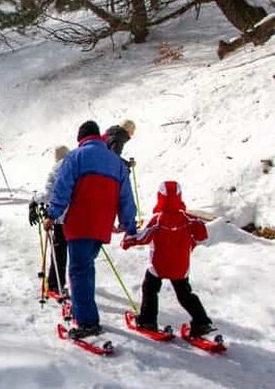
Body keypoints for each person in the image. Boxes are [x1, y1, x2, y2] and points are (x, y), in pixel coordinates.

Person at [44, 120, 137, 339]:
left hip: (79, 223)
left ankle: (87, 322)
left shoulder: (75, 157)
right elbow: (126, 196)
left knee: (78, 271)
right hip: (102, 226)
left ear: (81, 139)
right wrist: (128, 224)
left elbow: (62, 188)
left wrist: (52, 214)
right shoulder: (116, 163)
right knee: (86, 268)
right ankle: (81, 308)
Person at [121, 181, 214, 336]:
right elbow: (202, 234)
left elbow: (143, 237)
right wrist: (190, 242)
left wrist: (127, 240)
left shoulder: (158, 219)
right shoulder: (187, 219)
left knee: (150, 289)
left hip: (159, 265)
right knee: (185, 295)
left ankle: (147, 320)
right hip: (180, 266)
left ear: (160, 197)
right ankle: (202, 322)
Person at [43, 145, 70, 299]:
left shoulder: (56, 169)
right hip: (77, 216)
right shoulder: (77, 166)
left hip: (60, 216)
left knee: (59, 249)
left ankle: (55, 284)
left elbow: (49, 195)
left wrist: (35, 199)